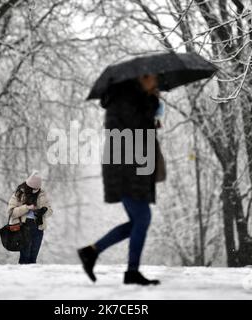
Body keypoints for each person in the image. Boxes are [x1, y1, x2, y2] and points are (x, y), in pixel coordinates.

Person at [78, 74, 164, 285]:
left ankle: (92, 252)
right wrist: (152, 104)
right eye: (153, 79)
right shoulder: (125, 99)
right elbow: (132, 130)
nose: (156, 83)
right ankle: (130, 271)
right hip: (125, 167)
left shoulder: (133, 99)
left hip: (133, 164)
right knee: (142, 218)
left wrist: (152, 121)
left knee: (139, 220)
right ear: (142, 79)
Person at [7, 171, 53, 264]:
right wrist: (26, 208)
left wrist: (43, 211)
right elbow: (11, 212)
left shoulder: (42, 194)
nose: (35, 190)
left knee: (33, 257)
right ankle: (22, 276)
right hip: (23, 226)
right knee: (25, 257)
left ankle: (31, 278)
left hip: (38, 227)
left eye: (37, 188)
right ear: (28, 186)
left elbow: (50, 211)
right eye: (33, 188)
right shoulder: (19, 194)